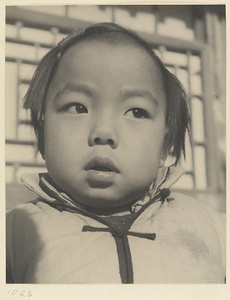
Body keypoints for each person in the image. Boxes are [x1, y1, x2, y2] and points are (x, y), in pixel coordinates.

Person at [6, 22, 225, 284]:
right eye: (78, 107)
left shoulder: (212, 226)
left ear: (165, 143)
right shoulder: (15, 233)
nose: (104, 132)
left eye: (136, 112)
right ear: (43, 130)